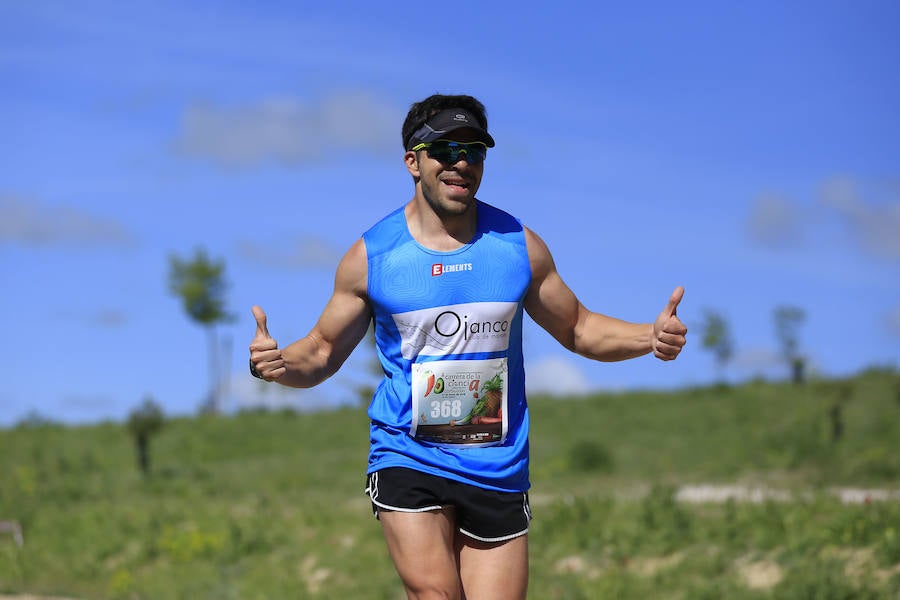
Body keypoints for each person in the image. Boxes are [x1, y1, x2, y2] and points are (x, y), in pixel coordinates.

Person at [248, 93, 688, 599]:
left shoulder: (517, 245)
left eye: (475, 151)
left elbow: (579, 328)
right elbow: (322, 352)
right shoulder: (373, 256)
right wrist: (277, 365)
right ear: (412, 161)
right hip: (408, 453)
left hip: (496, 462)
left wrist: (648, 337)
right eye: (446, 150)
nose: (462, 163)